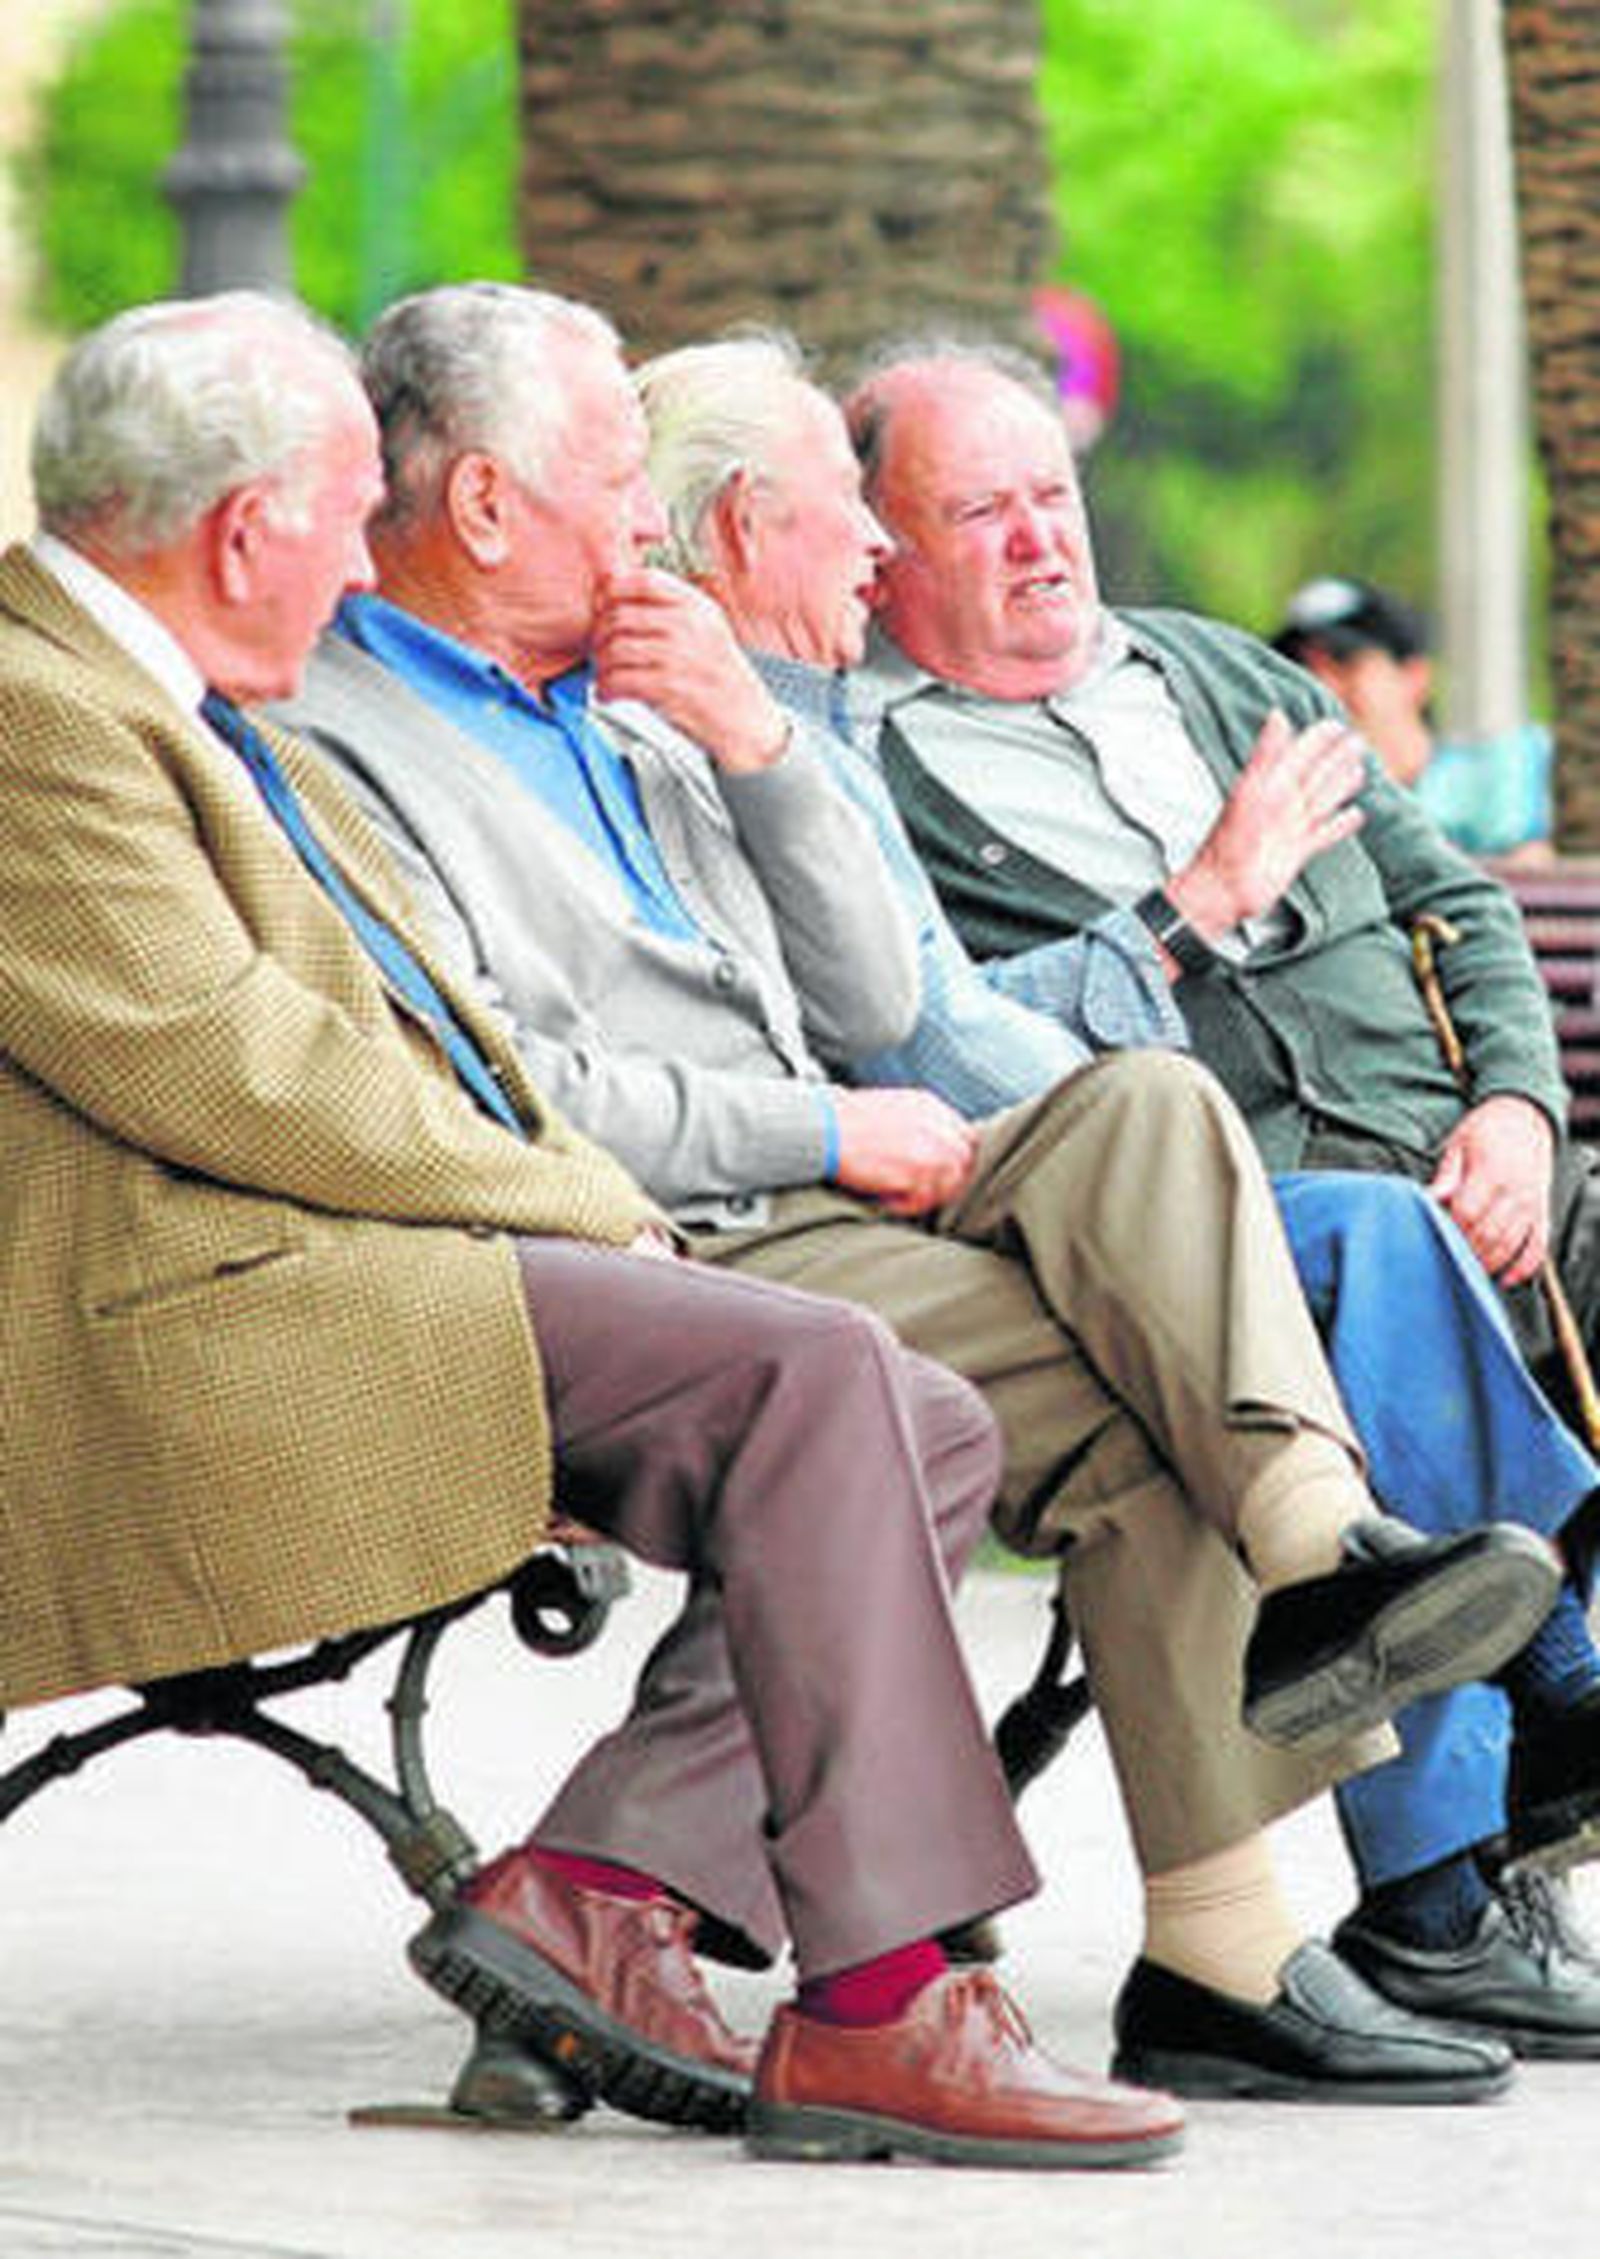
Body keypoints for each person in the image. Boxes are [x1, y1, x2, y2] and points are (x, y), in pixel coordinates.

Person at [0, 289, 1233, 2175]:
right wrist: (596, 1199)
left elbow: (403, 1046)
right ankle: (886, 1997)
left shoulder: (177, 704)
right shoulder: (40, 716)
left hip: (342, 1244)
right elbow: (242, 1075)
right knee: (830, 1367)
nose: (360, 555)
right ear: (245, 528)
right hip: (204, 1304)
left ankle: (592, 1883)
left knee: (928, 1408)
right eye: (344, 507)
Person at [278, 279, 1543, 2106]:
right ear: (487, 506)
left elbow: (880, 999)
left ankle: (1280, 1674)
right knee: (1126, 1342)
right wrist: (821, 1130)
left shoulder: (651, 698)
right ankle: (1043, 1931)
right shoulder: (344, 738)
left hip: (825, 1218)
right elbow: (518, 1090)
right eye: (619, 478)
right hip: (641, 1248)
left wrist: (764, 750)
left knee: (1147, 1134)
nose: (647, 526)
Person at [630, 332, 1600, 2065]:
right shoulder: (861, 753)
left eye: (1052, 497)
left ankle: (1510, 1734)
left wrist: (1520, 1106)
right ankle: (1461, 1862)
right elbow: (935, 1041)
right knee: (1382, 1260)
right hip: (1196, 1225)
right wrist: (1199, 898)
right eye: (969, 512)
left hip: (1469, 1177)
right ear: (890, 555)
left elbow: (1450, 902)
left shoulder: (1225, 673)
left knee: (1429, 1248)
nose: (1039, 542)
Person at [1272, 576, 1553, 859]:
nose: (1321, 686)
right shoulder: (1291, 809)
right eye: (1300, 669)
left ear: (1414, 676)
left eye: (1345, 665)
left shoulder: (1512, 774)